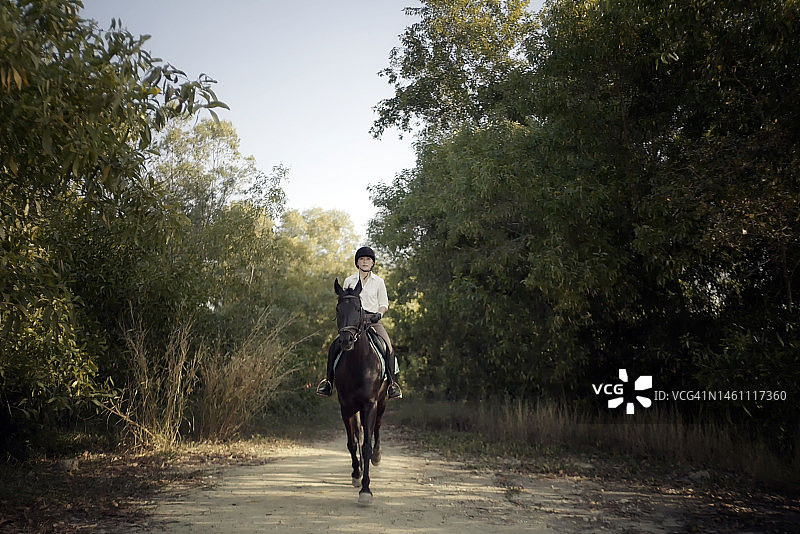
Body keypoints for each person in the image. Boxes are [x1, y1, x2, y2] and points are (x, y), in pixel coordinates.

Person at [316, 246, 403, 399]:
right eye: (362, 259)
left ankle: (391, 385)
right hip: (353, 323)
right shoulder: (349, 280)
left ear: (372, 263)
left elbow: (384, 304)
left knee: (388, 347)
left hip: (372, 321)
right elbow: (345, 302)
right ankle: (328, 383)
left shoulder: (379, 282)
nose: (364, 262)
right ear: (357, 262)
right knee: (334, 347)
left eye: (368, 259)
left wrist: (379, 314)